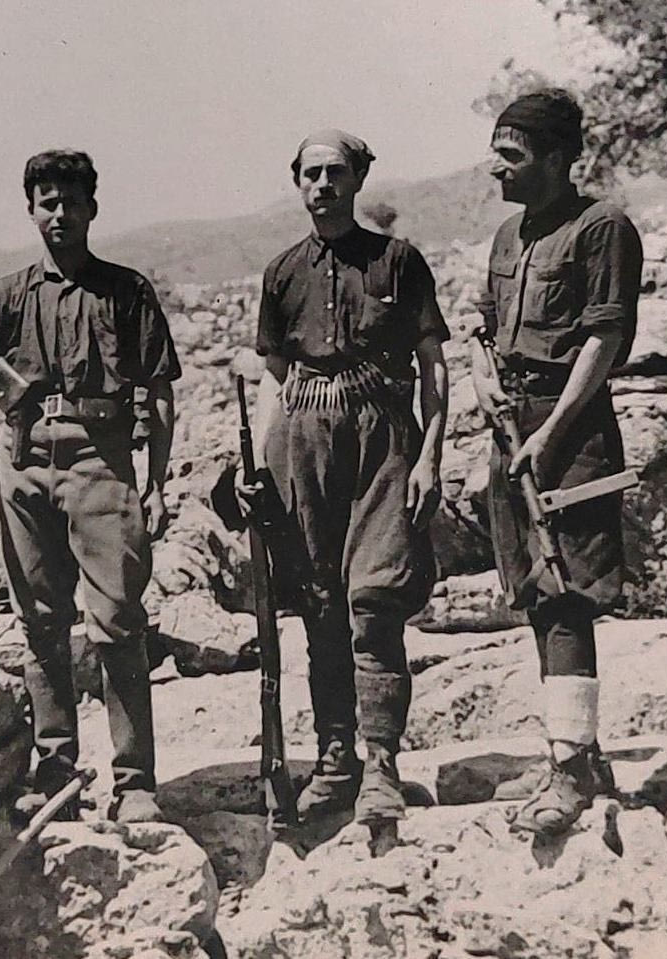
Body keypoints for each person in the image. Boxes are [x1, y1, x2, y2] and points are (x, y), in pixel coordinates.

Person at [0, 149, 179, 824]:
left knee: (116, 621)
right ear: (30, 211)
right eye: (47, 202)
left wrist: (158, 482)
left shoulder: (127, 291)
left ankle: (134, 781)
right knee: (41, 622)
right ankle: (56, 770)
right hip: (22, 464)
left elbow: (160, 393)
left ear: (91, 209)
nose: (59, 214)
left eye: (71, 202)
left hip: (102, 463)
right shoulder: (6, 296)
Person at [249, 129, 450, 835]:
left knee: (375, 599)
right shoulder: (281, 272)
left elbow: (433, 364)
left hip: (382, 438)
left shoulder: (397, 260)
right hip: (303, 439)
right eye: (311, 173)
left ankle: (382, 764)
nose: (323, 185)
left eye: (336, 172)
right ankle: (336, 760)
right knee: (318, 601)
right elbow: (274, 374)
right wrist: (265, 459)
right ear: (297, 182)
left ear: (358, 179)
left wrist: (430, 456)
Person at [473, 89, 643, 838]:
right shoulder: (507, 235)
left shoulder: (601, 227)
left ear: (556, 158)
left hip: (569, 429)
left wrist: (551, 432)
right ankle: (575, 751)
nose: (495, 168)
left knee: (567, 592)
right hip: (512, 427)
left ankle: (569, 769)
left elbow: (605, 339)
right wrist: (482, 381)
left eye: (510, 155)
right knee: (535, 592)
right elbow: (484, 328)